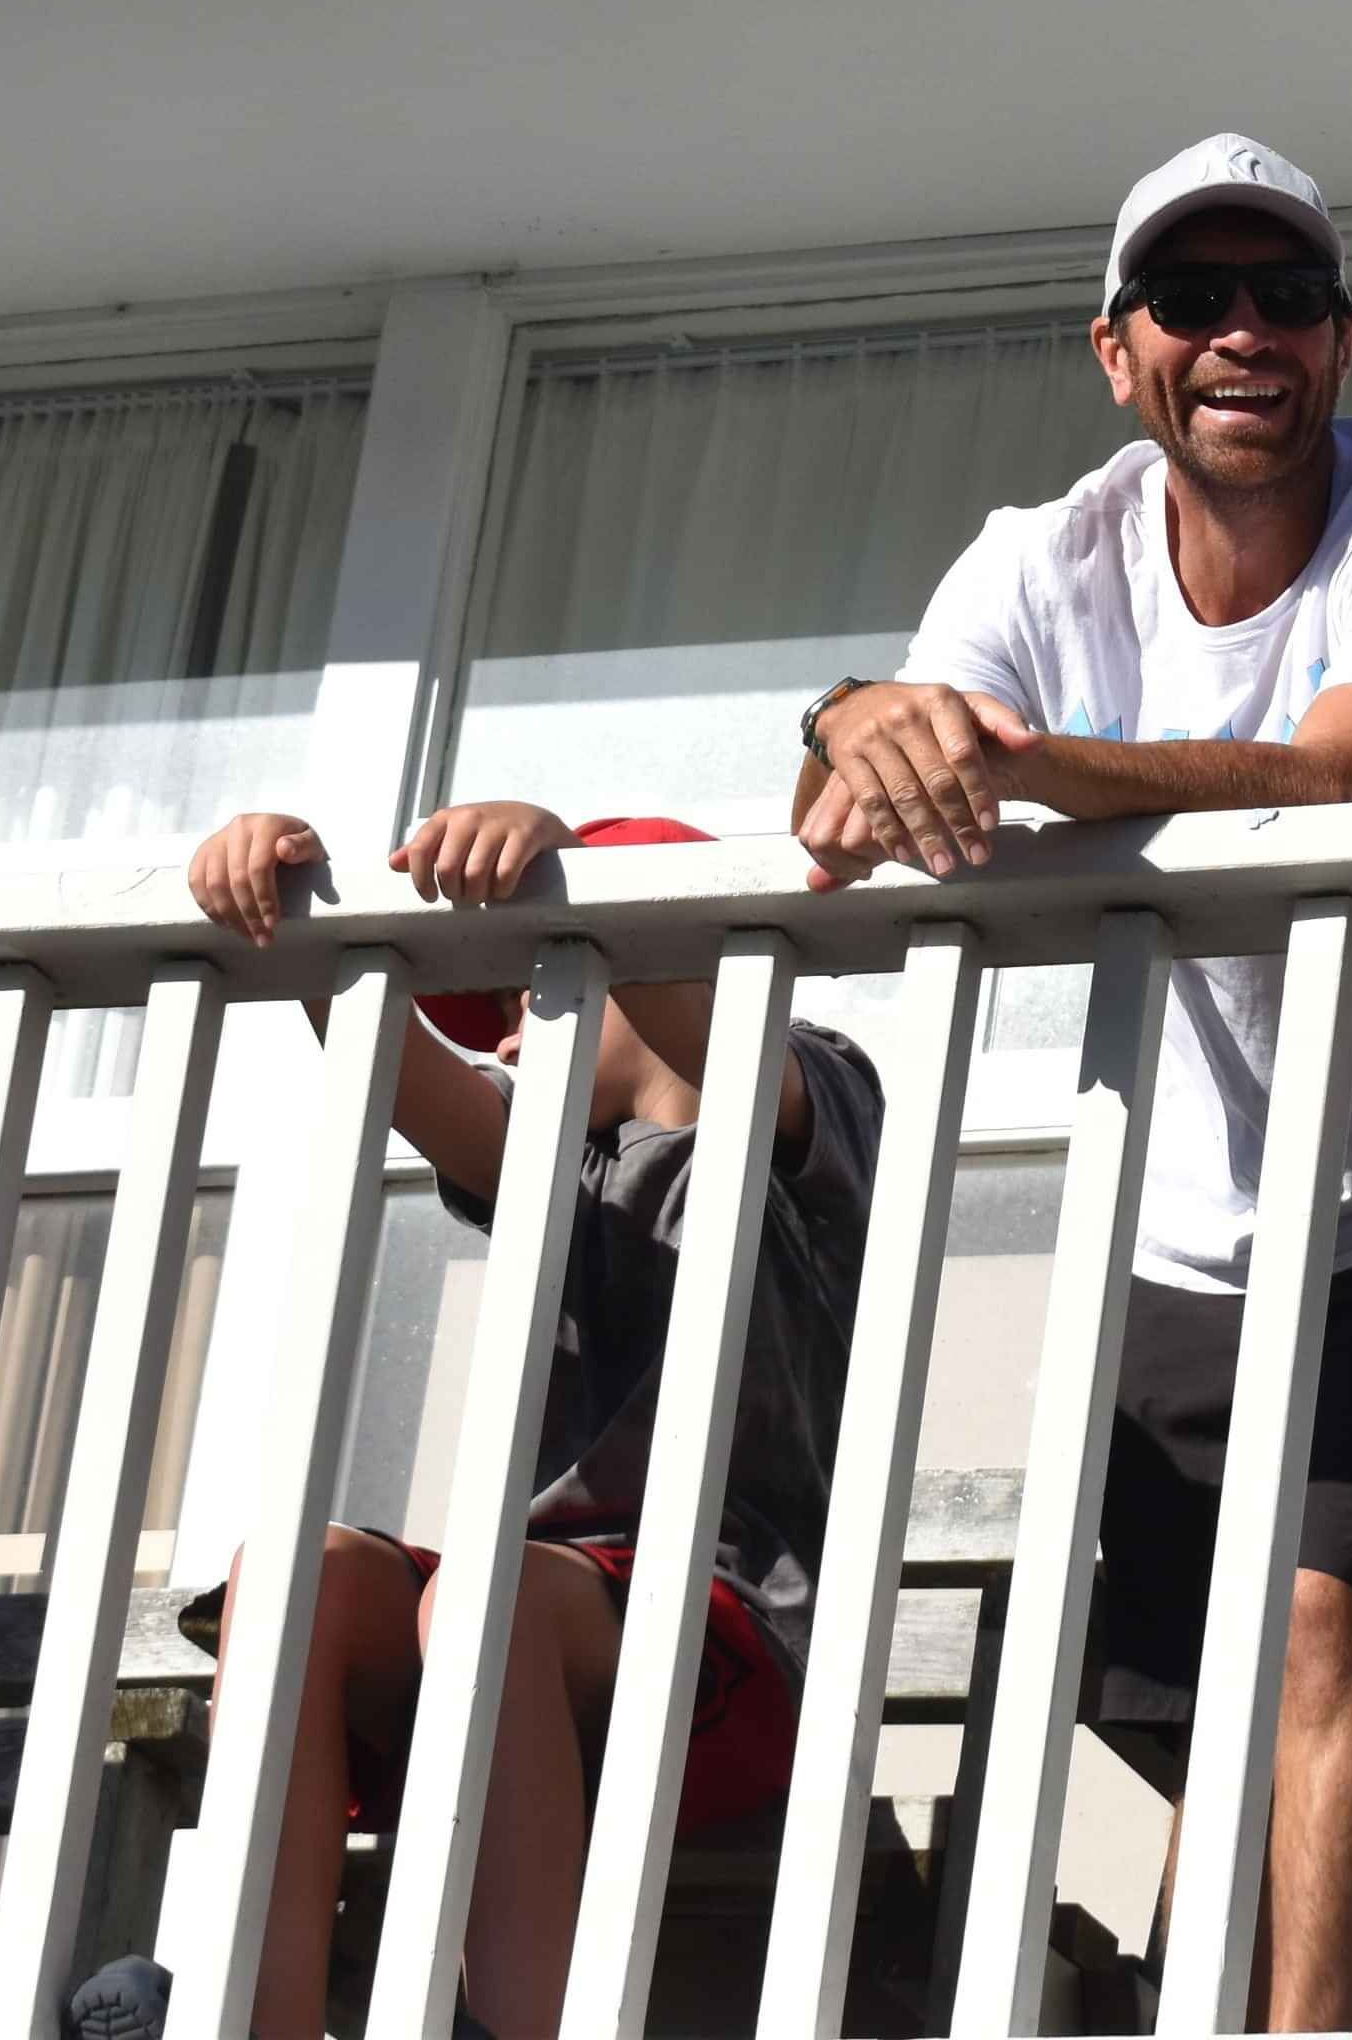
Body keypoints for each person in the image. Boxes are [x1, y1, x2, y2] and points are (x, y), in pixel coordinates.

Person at [792, 131, 1352, 2035]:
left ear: (1343, 338)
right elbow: (870, 797)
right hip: (1182, 1216)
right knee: (1188, 1693)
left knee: (1322, 1626)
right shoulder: (1038, 557)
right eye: (1191, 297)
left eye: (1286, 296)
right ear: (1117, 351)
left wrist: (1026, 762)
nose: (1243, 331)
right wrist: (846, 717)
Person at [67, 802, 880, 2040]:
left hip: (730, 1649)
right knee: (298, 1571)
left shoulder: (806, 1098)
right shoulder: (556, 1163)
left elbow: (709, 1029)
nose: (509, 1030)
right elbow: (403, 1069)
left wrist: (575, 876)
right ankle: (259, 2014)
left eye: (536, 993)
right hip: (514, 1653)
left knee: (487, 1595)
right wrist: (288, 902)